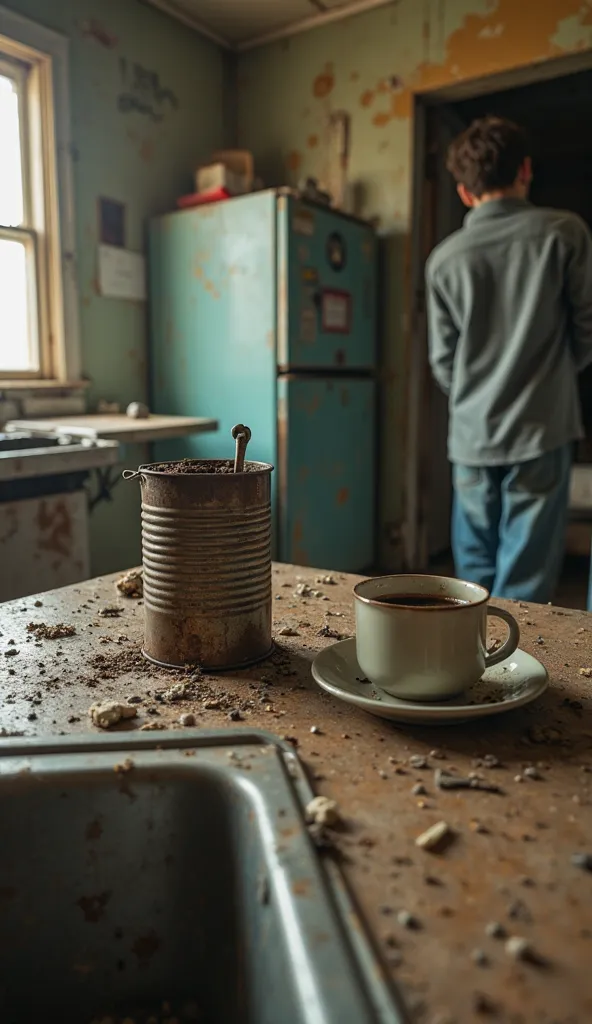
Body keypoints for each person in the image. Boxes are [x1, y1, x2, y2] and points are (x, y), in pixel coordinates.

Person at [425, 115, 592, 603]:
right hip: (543, 425)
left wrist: (478, 395)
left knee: (473, 568)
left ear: (463, 192)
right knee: (527, 570)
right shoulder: (564, 233)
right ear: (525, 169)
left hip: (472, 433)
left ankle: (467, 661)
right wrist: (556, 376)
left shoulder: (445, 258)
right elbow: (587, 327)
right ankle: (514, 668)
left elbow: (442, 361)